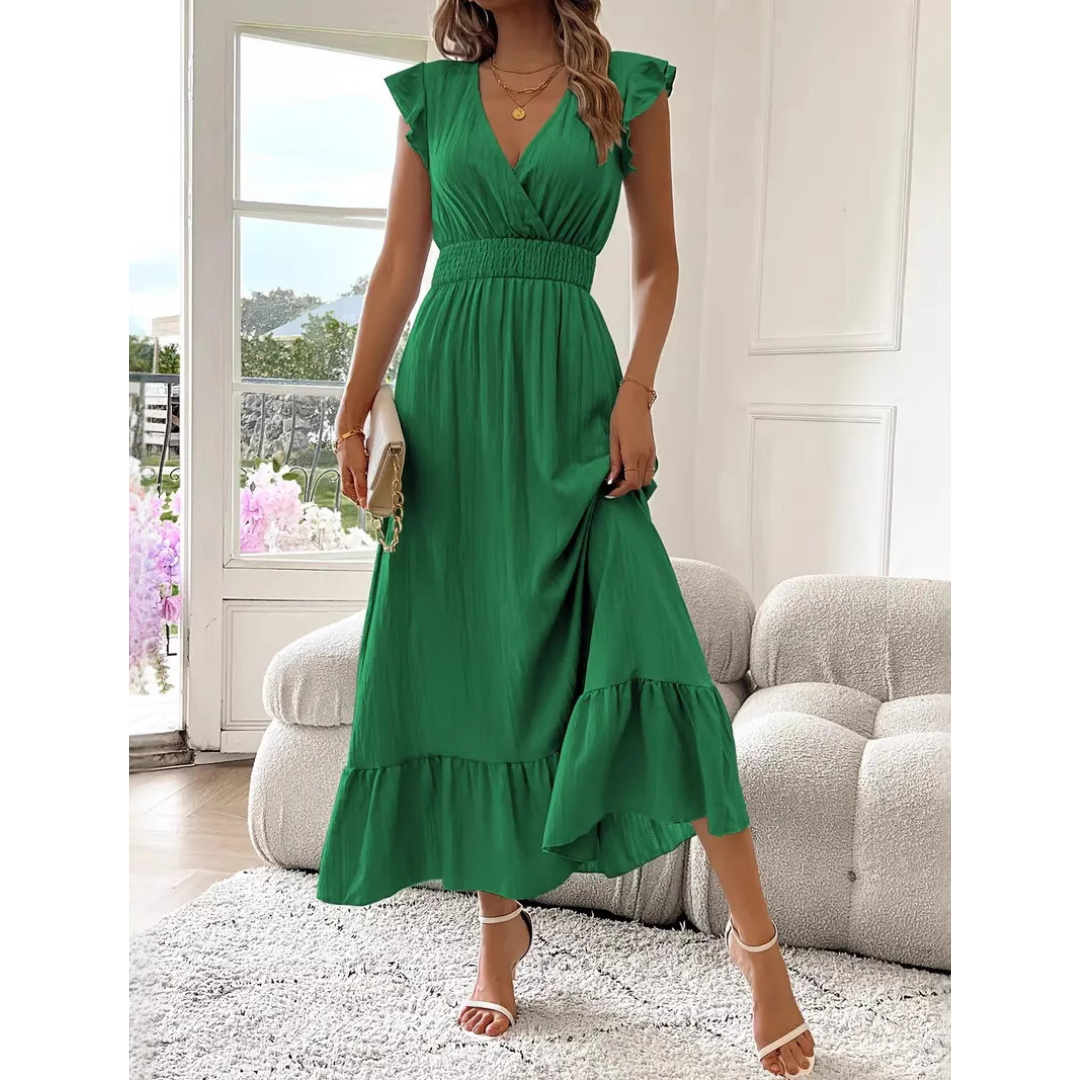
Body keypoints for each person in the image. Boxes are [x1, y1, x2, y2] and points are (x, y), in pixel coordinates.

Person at [317, 2, 815, 1075]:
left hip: (575, 403)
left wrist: (638, 391)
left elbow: (659, 261)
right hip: (452, 408)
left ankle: (757, 946)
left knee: (659, 659)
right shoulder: (431, 98)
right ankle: (499, 931)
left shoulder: (628, 86)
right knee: (483, 670)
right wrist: (353, 415)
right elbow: (400, 265)